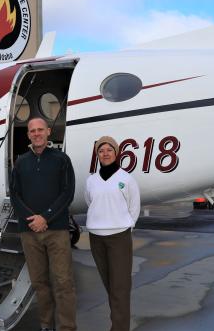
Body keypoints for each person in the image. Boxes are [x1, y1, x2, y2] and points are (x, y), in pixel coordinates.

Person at [10, 116, 77, 331]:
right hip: (29, 232)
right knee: (39, 282)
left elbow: (68, 193)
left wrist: (45, 217)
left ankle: (67, 327)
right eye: (32, 131)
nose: (37, 134)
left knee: (63, 282)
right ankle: (46, 325)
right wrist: (33, 219)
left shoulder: (61, 160)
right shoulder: (21, 162)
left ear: (48, 132)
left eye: (40, 130)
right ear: (28, 135)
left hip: (56, 230)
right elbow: (15, 194)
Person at [85, 136, 140, 331]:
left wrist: (125, 225)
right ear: (98, 154)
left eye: (109, 150)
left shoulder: (126, 179)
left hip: (119, 237)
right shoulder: (91, 180)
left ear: (116, 153)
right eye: (101, 150)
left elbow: (134, 207)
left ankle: (119, 327)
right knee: (109, 284)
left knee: (120, 287)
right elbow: (90, 202)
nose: (105, 153)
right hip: (96, 237)